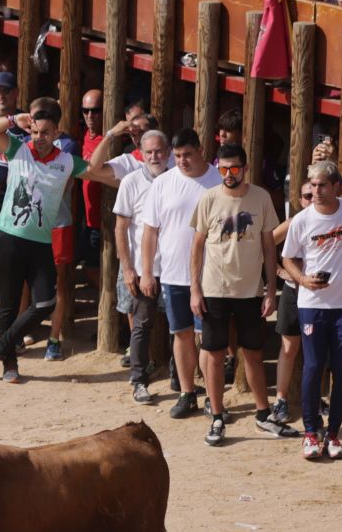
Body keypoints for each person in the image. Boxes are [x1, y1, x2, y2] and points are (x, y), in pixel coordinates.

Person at [185, 143, 291, 446]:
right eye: (223, 169)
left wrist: (270, 290)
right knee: (215, 355)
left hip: (250, 291)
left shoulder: (261, 197)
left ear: (245, 168)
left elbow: (269, 247)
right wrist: (195, 289)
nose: (229, 174)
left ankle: (263, 414)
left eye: (234, 168)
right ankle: (217, 416)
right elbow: (196, 247)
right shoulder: (208, 198)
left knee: (254, 354)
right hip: (214, 289)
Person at [0, 99, 85, 382]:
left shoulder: (66, 160)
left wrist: (111, 139)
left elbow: (96, 171)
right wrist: (16, 119)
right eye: (36, 132)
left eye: (46, 132)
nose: (39, 138)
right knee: (9, 305)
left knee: (45, 302)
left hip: (41, 242)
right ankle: (9, 365)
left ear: (57, 132)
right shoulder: (19, 149)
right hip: (8, 238)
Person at [137, 128, 221, 416]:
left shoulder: (217, 181)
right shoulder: (163, 183)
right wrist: (147, 271)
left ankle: (212, 396)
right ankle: (187, 393)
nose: (182, 161)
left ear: (201, 151)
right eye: (178, 156)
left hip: (210, 275)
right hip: (173, 273)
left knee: (208, 339)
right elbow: (150, 231)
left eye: (187, 155)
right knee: (181, 334)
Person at [88, 123, 168, 402]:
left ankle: (183, 385)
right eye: (149, 152)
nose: (154, 156)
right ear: (141, 154)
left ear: (168, 152)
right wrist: (128, 268)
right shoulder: (131, 181)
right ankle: (138, 380)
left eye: (159, 151)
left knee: (180, 328)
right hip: (145, 268)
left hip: (175, 269)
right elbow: (120, 227)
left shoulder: (178, 179)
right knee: (141, 326)